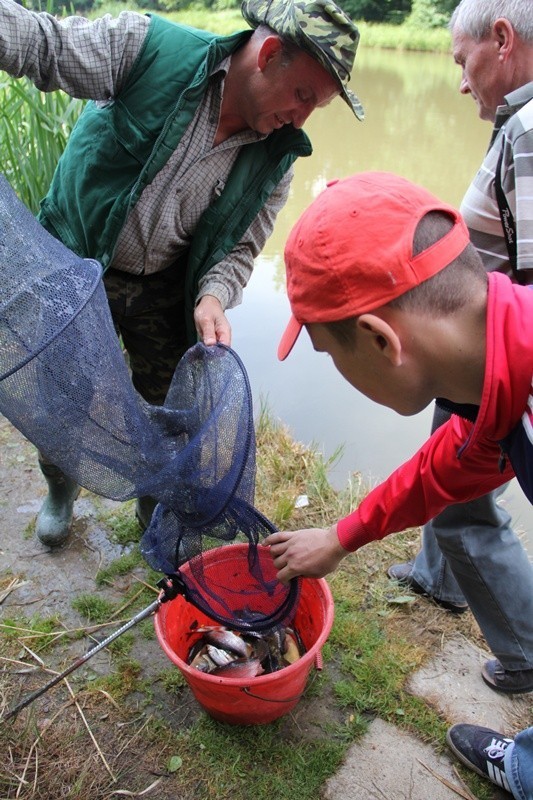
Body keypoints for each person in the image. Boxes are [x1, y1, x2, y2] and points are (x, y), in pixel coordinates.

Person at [0, 0, 363, 546]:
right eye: (303, 96)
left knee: (172, 417)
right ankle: (61, 485)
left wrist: (215, 294)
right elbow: (42, 43)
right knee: (60, 396)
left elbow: (242, 249)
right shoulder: (144, 49)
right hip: (77, 263)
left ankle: (156, 514)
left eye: (317, 108)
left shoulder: (278, 158)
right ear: (267, 54)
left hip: (166, 288)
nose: (301, 118)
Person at [263, 169, 533, 796]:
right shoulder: (500, 366)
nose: (338, 372)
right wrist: (343, 534)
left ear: (381, 341)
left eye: (331, 357)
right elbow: (454, 460)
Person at [385, 0, 533, 694]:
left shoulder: (530, 129)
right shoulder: (516, 123)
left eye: (459, 61)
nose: (459, 82)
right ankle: (435, 577)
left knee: (451, 502)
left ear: (500, 40)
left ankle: (526, 651)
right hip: (477, 361)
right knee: (440, 471)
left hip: (502, 371)